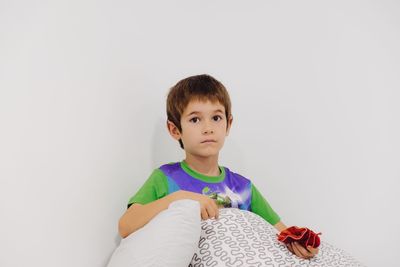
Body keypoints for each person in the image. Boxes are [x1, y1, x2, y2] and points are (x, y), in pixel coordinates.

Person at [118, 74, 319, 259]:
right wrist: (178, 198)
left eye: (216, 118)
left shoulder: (243, 188)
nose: (208, 128)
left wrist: (302, 243)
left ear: (228, 124)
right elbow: (126, 226)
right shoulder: (165, 178)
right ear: (174, 129)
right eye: (195, 119)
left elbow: (281, 233)